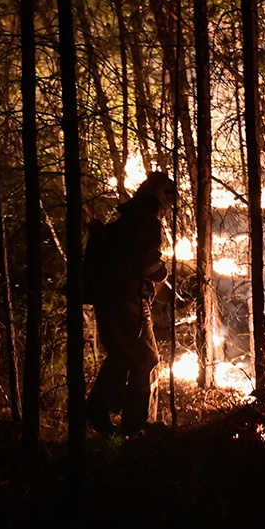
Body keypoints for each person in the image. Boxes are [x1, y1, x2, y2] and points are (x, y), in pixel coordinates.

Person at [86, 172, 177, 437]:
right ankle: (134, 427)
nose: (170, 206)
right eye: (169, 198)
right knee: (146, 359)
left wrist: (174, 297)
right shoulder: (146, 222)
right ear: (159, 196)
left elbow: (134, 265)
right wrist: (163, 273)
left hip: (109, 301)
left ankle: (98, 412)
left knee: (122, 357)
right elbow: (148, 265)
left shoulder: (127, 222)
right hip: (128, 305)